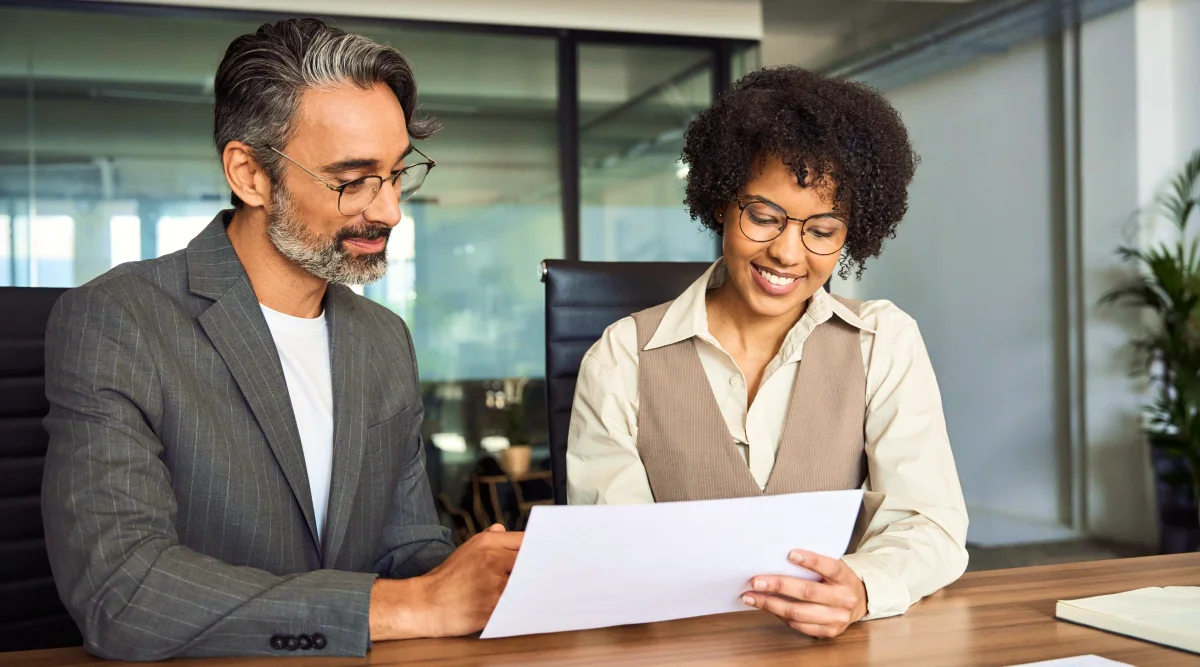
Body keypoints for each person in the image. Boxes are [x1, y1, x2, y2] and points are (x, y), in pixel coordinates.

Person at [41, 18, 520, 660]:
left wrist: (483, 583)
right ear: (250, 174)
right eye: (352, 179)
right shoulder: (117, 321)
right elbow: (122, 593)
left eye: (397, 173)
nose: (389, 211)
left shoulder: (383, 339)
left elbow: (408, 551)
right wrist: (414, 605)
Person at [566, 66, 968, 639]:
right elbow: (614, 549)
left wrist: (862, 586)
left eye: (822, 230)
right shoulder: (622, 357)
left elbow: (930, 524)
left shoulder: (882, 342)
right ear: (722, 205)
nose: (786, 252)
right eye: (763, 216)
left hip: (835, 649)